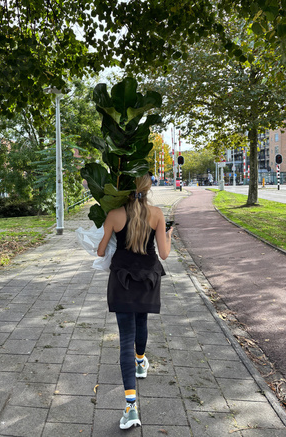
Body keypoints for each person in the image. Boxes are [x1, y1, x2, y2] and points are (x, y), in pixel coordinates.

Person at [97, 173, 173, 430]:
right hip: (149, 279)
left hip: (122, 280)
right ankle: (141, 360)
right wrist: (169, 236)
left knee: (125, 339)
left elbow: (100, 251)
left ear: (121, 190)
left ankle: (131, 408)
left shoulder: (115, 215)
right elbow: (164, 253)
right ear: (147, 189)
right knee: (142, 322)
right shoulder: (157, 214)